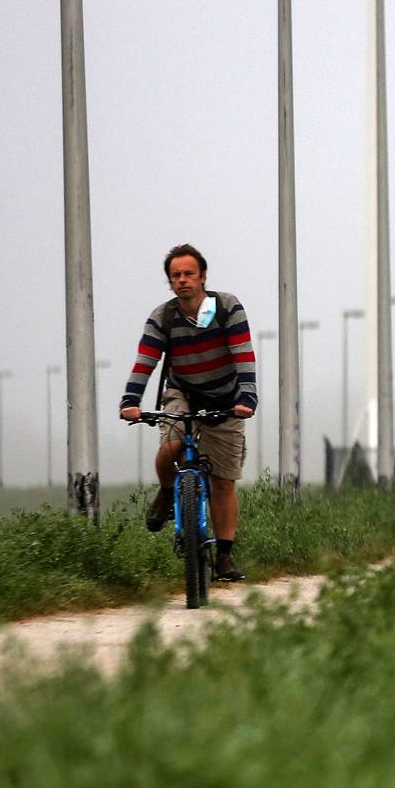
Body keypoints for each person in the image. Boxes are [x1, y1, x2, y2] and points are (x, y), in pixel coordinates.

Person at [120, 243, 257, 582]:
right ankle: (167, 492)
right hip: (181, 392)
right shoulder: (162, 317)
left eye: (188, 274)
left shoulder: (226, 308)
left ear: (203, 277)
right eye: (175, 276)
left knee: (223, 482)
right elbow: (146, 361)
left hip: (225, 397)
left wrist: (247, 398)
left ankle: (224, 557)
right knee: (170, 446)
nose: (182, 280)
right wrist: (130, 400)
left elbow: (243, 355)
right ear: (170, 282)